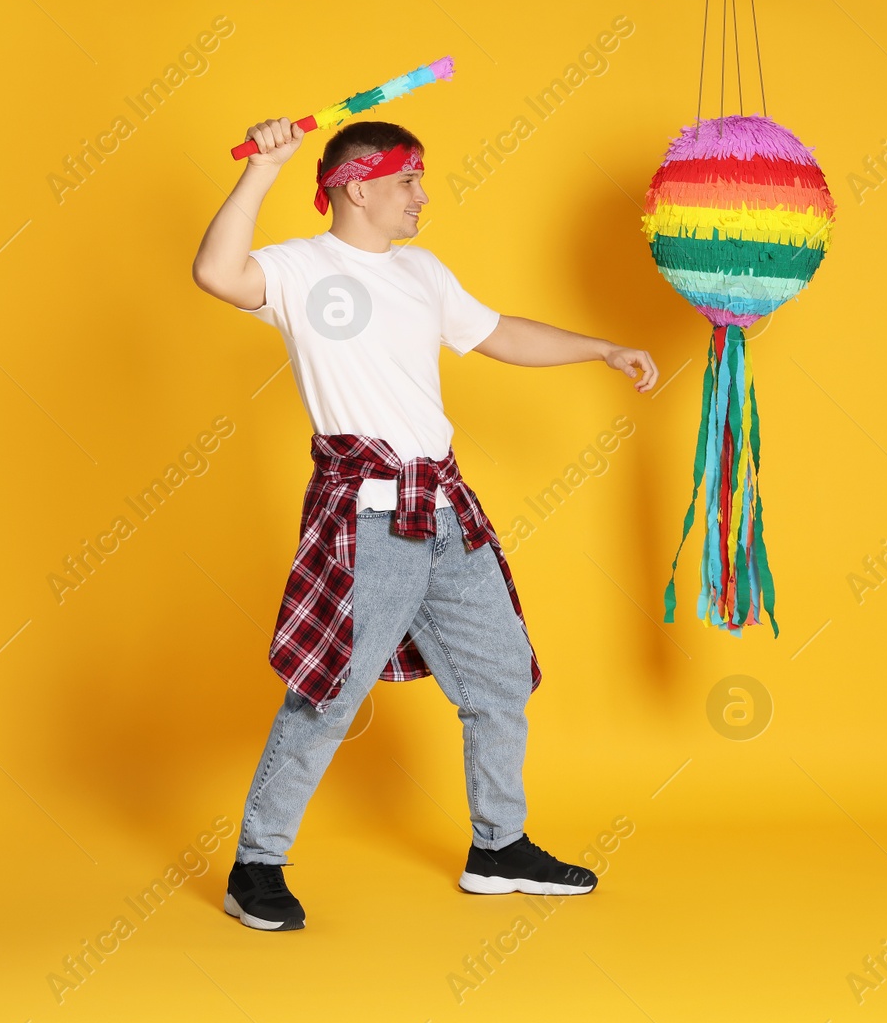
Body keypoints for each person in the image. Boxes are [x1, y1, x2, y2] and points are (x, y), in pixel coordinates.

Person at [191, 115, 659, 931]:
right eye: (410, 181)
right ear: (357, 186)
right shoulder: (301, 269)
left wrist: (602, 348)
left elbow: (500, 332)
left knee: (502, 679)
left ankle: (498, 847)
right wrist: (265, 169)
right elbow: (216, 272)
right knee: (328, 695)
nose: (423, 195)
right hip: (366, 523)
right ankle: (256, 865)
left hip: (444, 513)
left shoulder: (422, 272)